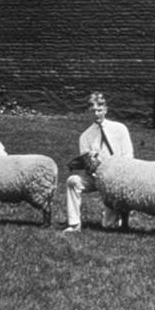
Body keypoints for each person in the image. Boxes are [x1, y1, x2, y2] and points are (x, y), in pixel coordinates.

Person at [63, 92, 133, 232]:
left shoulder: (120, 129)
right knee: (72, 181)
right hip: (96, 177)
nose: (96, 114)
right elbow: (87, 164)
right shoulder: (85, 136)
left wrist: (116, 173)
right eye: (93, 111)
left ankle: (119, 217)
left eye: (99, 110)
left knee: (107, 226)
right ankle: (75, 224)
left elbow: (128, 155)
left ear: (106, 110)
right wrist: (92, 166)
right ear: (89, 112)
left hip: (118, 177)